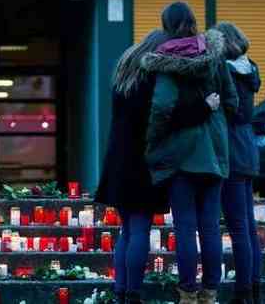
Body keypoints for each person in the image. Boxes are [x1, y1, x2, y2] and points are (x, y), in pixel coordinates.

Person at [95, 29, 221, 304]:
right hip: (143, 161)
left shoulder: (124, 69)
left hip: (117, 161)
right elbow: (169, 117)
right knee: (139, 229)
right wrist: (204, 107)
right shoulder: (152, 76)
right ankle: (133, 294)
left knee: (127, 230)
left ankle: (120, 289)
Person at [142, 2, 238, 304]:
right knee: (210, 227)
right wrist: (216, 118)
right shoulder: (216, 58)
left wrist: (154, 139)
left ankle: (187, 293)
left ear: (167, 27)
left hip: (181, 156)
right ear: (194, 23)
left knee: (185, 227)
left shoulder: (167, 61)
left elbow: (161, 107)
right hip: (214, 154)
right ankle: (210, 292)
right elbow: (233, 101)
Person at [214, 22, 262, 304]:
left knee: (238, 227)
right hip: (248, 147)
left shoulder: (226, 72)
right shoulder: (250, 68)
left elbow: (227, 111)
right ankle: (253, 288)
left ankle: (242, 292)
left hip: (231, 150)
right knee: (247, 225)